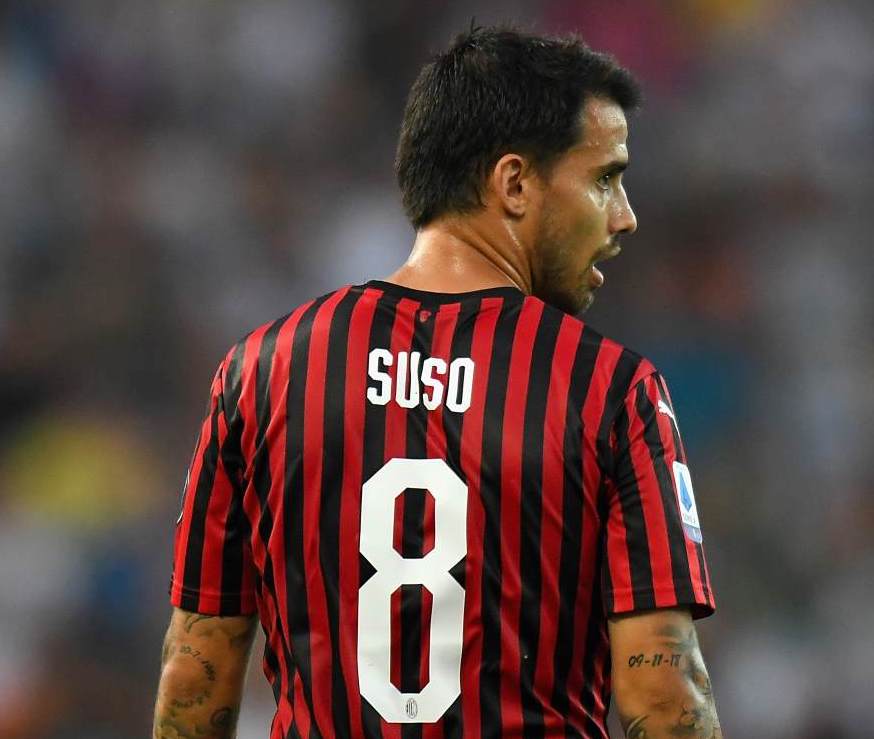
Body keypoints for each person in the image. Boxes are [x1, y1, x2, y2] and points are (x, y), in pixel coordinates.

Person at [153, 26, 721, 739]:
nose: (624, 217)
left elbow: (195, 676)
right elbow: (663, 698)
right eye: (604, 178)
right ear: (514, 183)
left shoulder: (261, 374)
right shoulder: (611, 389)